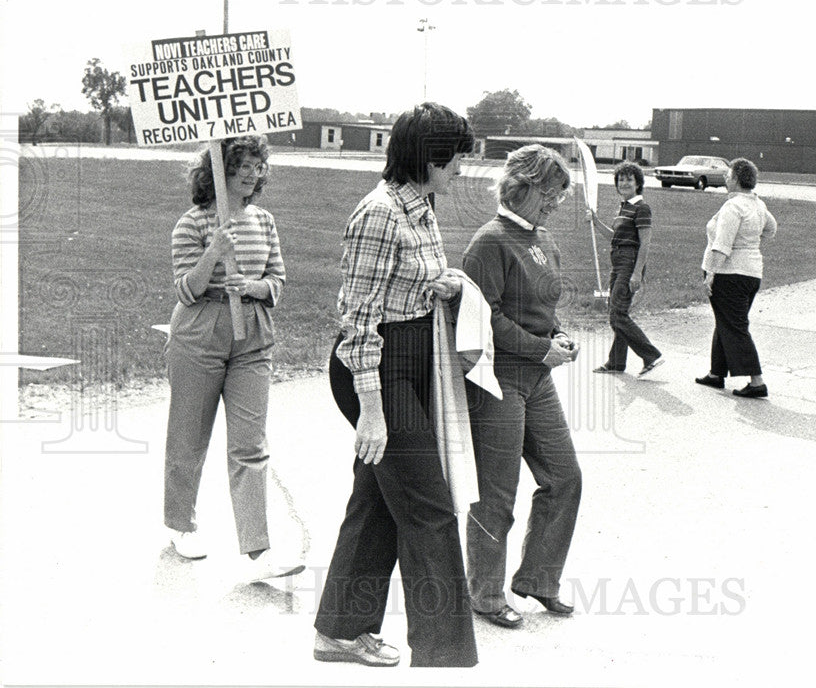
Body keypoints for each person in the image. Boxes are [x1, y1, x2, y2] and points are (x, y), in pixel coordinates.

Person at [313, 103, 478, 668]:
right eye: (456, 157)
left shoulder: (422, 207)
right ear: (428, 156)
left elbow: (406, 284)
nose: (462, 168)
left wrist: (446, 282)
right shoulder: (380, 213)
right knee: (430, 507)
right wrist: (372, 411)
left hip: (411, 359)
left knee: (380, 499)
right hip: (374, 366)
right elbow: (358, 318)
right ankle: (445, 657)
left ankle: (340, 630)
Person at [164, 134, 304, 581]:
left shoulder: (264, 221)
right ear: (216, 173)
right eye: (240, 164)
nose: (251, 172)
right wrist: (214, 254)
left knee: (250, 444)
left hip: (253, 334)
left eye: (257, 164)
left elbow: (277, 280)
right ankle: (180, 525)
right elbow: (186, 290)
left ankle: (257, 551)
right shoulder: (192, 223)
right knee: (189, 435)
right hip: (199, 331)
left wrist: (255, 288)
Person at [461, 144, 583, 629]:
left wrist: (559, 334)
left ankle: (538, 579)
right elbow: (482, 318)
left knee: (565, 477)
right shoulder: (488, 242)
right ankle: (485, 595)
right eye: (549, 193)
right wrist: (539, 348)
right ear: (521, 186)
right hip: (499, 379)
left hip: (538, 376)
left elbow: (543, 310)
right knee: (497, 492)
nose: (554, 203)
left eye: (559, 195)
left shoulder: (543, 238)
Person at [695, 158, 777, 397]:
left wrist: (711, 274)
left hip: (729, 273)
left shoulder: (733, 207)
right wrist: (751, 245)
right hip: (751, 273)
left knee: (735, 325)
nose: (725, 178)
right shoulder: (757, 204)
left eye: (728, 175)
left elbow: (722, 245)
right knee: (727, 321)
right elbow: (771, 229)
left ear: (737, 179)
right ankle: (716, 373)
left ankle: (756, 381)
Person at [588, 161, 663, 377]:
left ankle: (652, 355)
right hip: (618, 262)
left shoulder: (641, 208)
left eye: (629, 179)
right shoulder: (624, 207)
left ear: (638, 183)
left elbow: (645, 243)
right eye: (621, 179)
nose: (624, 183)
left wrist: (637, 272)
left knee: (617, 314)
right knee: (617, 312)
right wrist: (595, 221)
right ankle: (616, 362)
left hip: (629, 263)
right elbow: (614, 236)